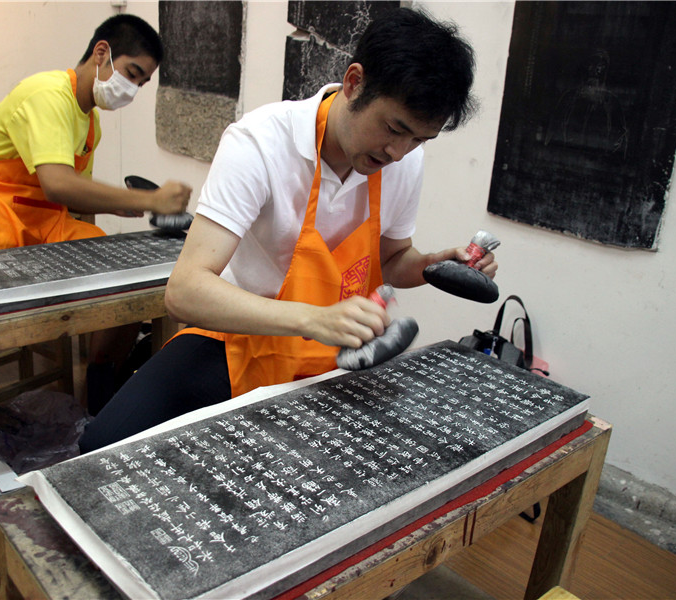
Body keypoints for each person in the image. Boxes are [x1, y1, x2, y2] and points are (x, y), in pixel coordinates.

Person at [79, 7, 496, 453]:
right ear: (354, 82)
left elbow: (392, 259)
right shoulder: (260, 142)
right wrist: (314, 318)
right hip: (246, 339)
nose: (399, 151)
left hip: (340, 356)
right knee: (104, 443)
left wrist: (435, 263)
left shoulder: (403, 161)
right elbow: (184, 292)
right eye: (394, 129)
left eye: (418, 140)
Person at [0, 14, 192, 420]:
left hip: (45, 219)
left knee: (126, 280)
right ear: (102, 52)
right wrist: (156, 200)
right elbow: (57, 183)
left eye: (142, 83)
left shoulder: (90, 125)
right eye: (132, 73)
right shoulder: (46, 93)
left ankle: (100, 391)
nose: (132, 90)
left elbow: (71, 200)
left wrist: (122, 204)